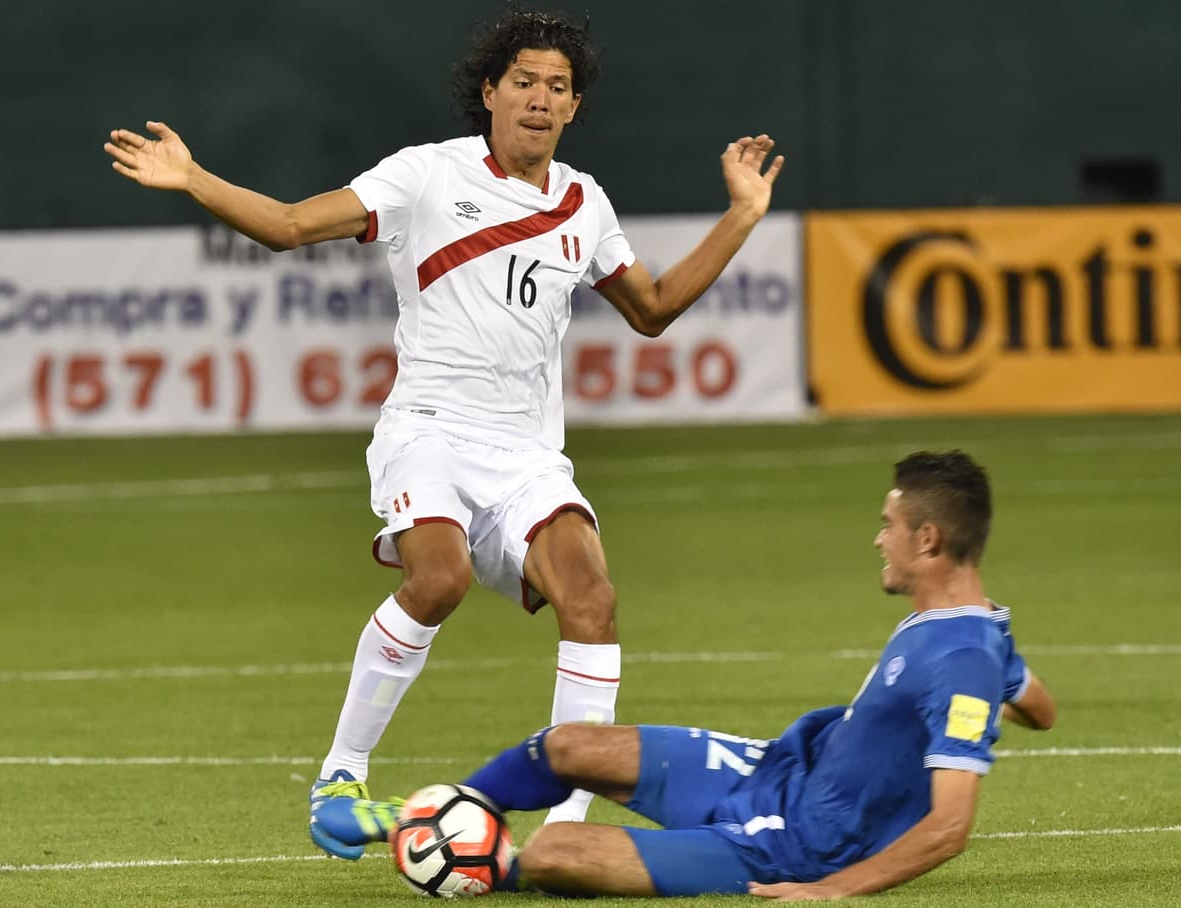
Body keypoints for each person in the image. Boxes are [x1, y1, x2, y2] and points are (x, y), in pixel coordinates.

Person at [103, 9, 786, 858]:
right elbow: (286, 226)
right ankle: (340, 776)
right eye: (526, 82)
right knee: (440, 578)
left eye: (559, 88)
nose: (540, 99)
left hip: (529, 456)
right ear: (490, 91)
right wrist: (196, 178)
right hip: (428, 431)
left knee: (594, 601)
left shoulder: (583, 202)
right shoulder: (426, 176)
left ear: (574, 108)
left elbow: (650, 309)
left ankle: (569, 822)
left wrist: (743, 213)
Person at [316, 450, 1058, 898]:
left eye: (890, 527)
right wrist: (1008, 679)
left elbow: (952, 826)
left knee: (555, 854)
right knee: (570, 745)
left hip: (804, 842)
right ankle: (459, 810)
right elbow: (1041, 709)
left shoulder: (962, 657)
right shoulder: (977, 635)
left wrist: (835, 889)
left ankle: (479, 863)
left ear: (928, 540)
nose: (878, 539)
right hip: (781, 770)